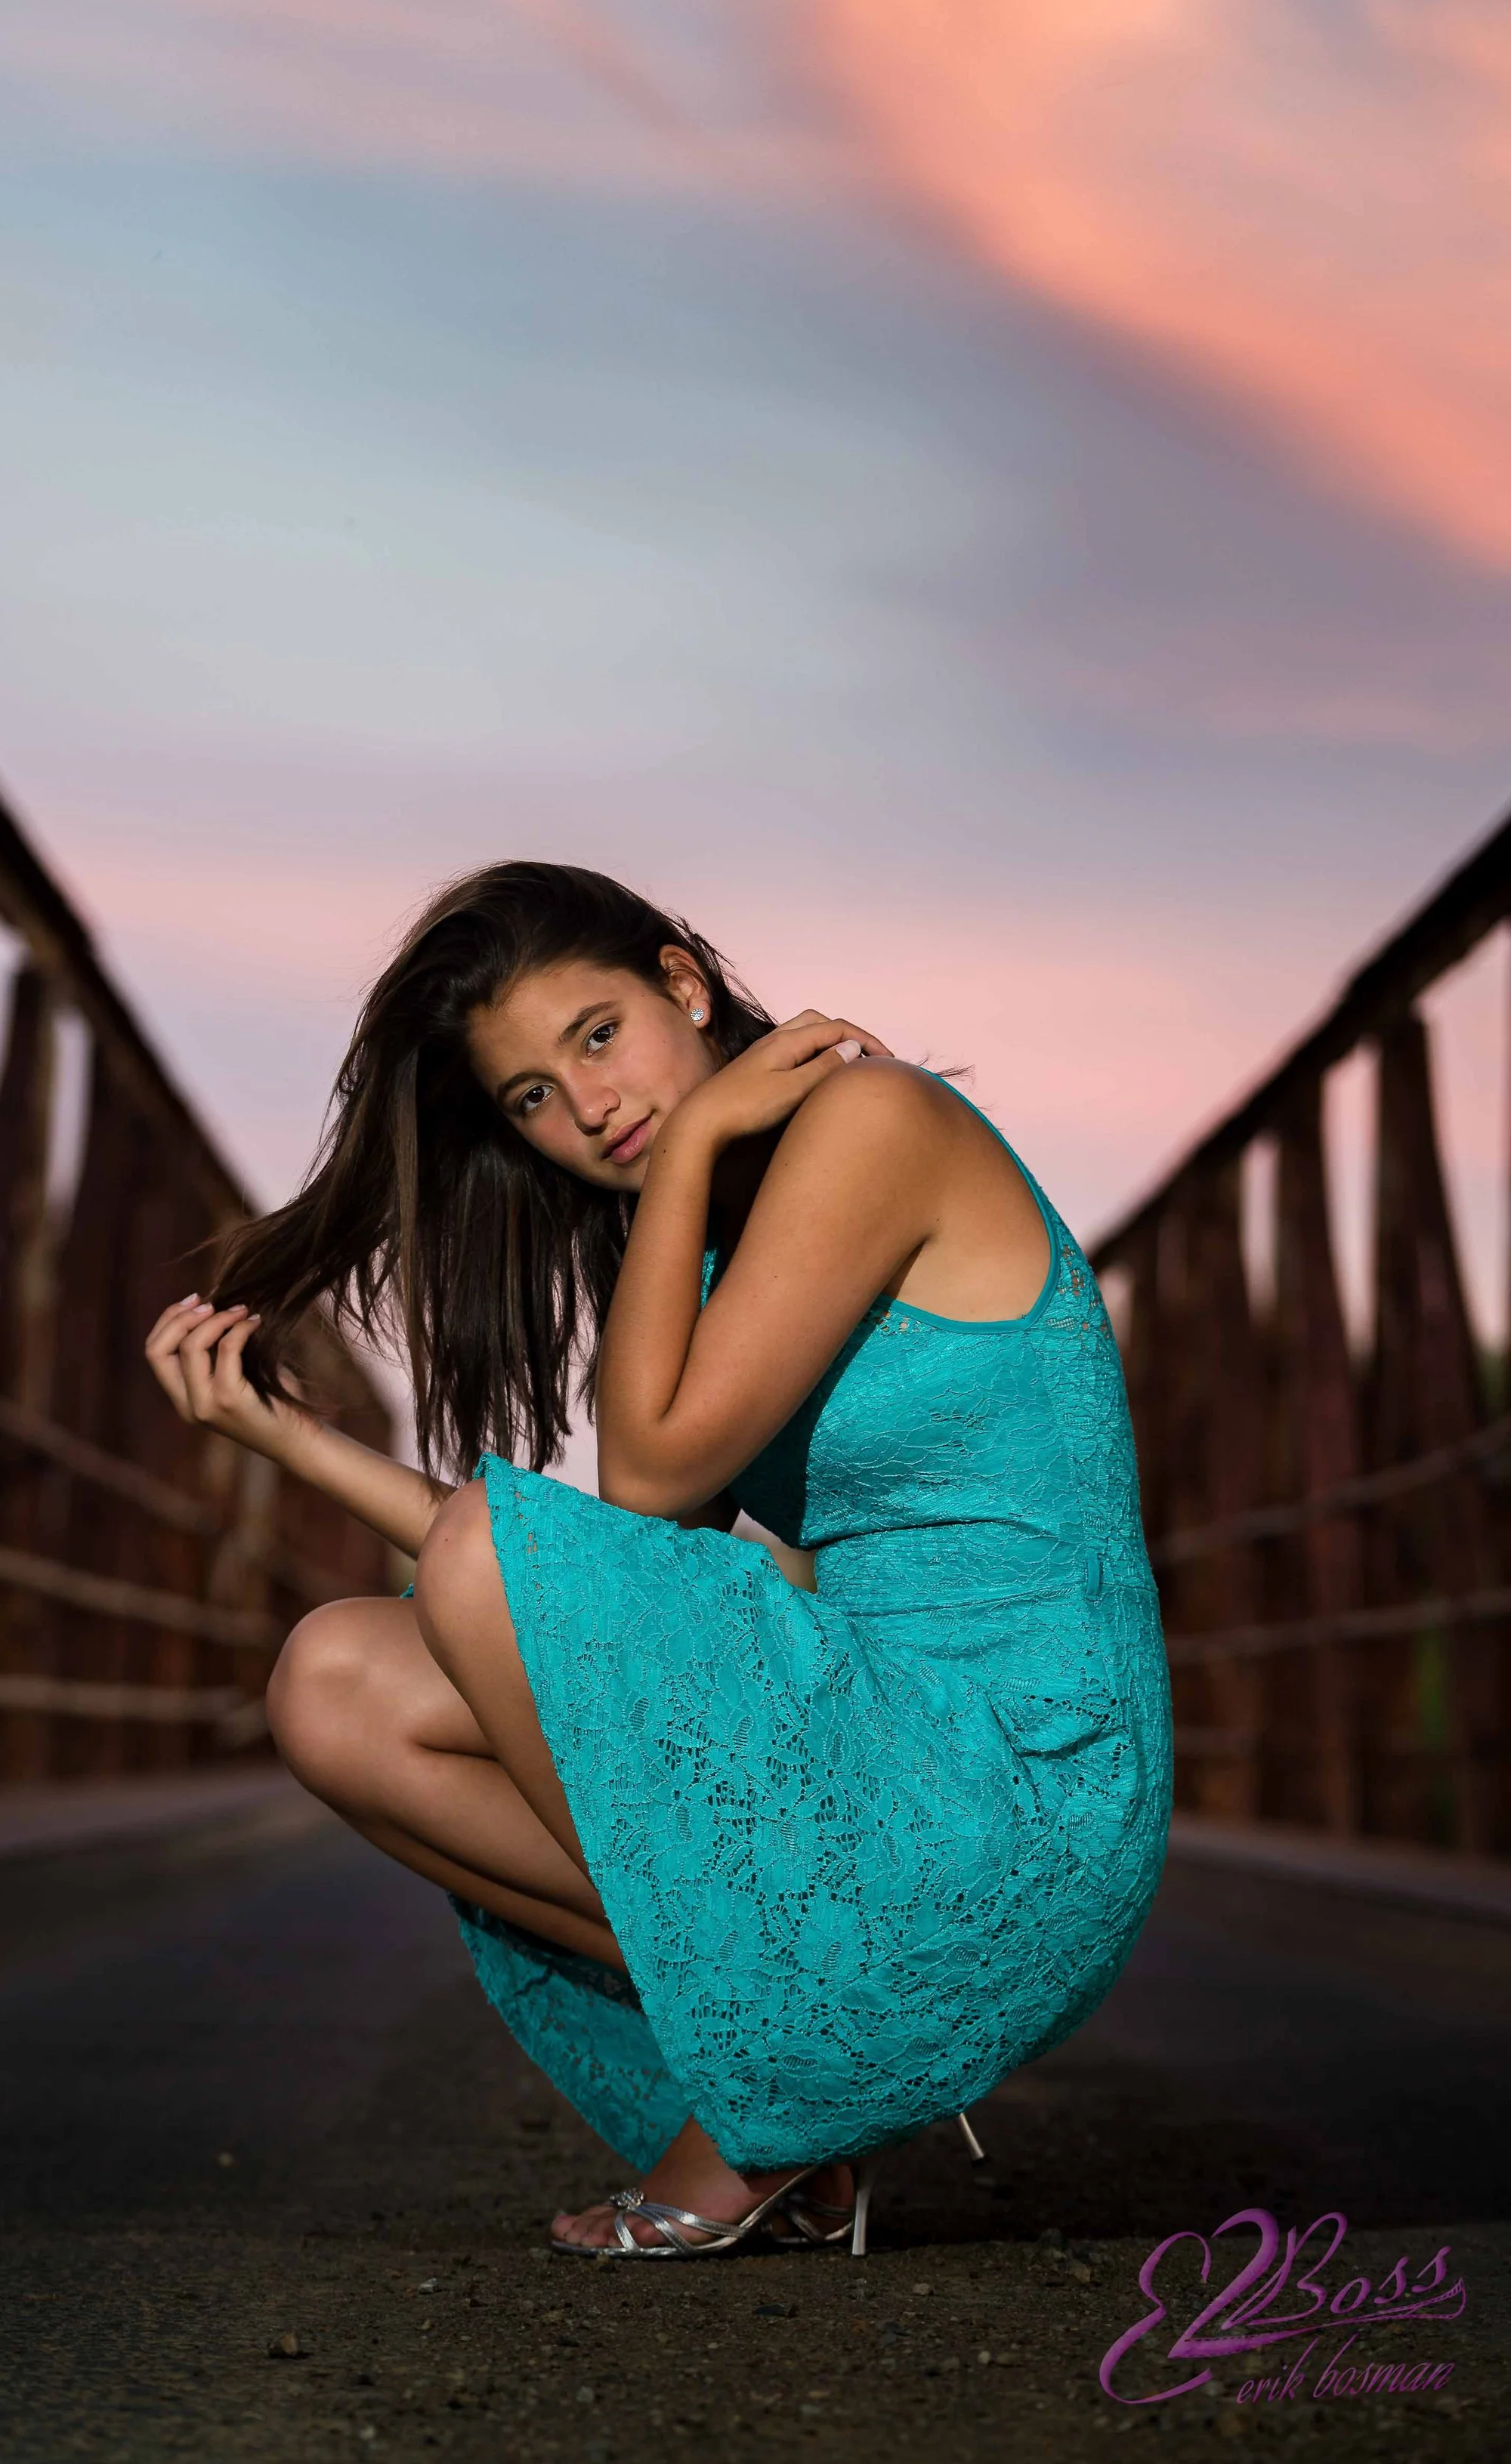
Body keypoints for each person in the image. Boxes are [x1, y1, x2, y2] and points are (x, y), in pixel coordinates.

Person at [144, 861, 1173, 2259]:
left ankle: (779, 2106)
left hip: (1025, 1779)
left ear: (682, 982)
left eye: (599, 1036)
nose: (590, 1110)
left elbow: (636, 1477)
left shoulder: (871, 1119)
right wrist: (297, 1442)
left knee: (474, 1567)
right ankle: (812, 2064)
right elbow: (608, 1576)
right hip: (891, 1737)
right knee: (335, 1680)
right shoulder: (695, 1259)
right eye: (532, 1100)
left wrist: (688, 1154)